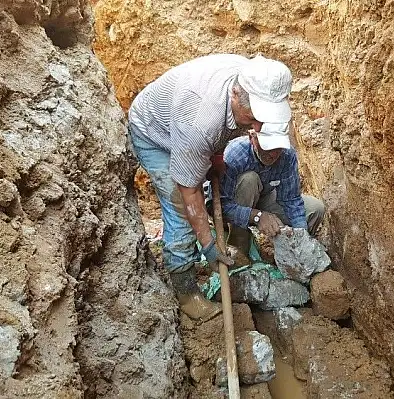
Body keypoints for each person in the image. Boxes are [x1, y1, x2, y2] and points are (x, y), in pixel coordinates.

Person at [127, 54, 293, 321]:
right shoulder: (200, 121)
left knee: (198, 177)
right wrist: (208, 247)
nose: (258, 127)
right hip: (154, 134)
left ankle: (214, 240)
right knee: (180, 210)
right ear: (236, 95)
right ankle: (186, 291)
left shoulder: (257, 78)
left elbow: (219, 134)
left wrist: (214, 158)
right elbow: (189, 191)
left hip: (189, 130)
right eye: (254, 118)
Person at [217, 122, 325, 260]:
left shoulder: (287, 155)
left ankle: (293, 256)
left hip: (264, 197)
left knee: (315, 209)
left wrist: (301, 237)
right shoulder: (235, 155)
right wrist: (257, 216)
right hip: (236, 203)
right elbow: (221, 207)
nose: (273, 154)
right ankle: (239, 249)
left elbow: (291, 200)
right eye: (268, 147)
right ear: (252, 138)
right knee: (250, 179)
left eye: (278, 147)